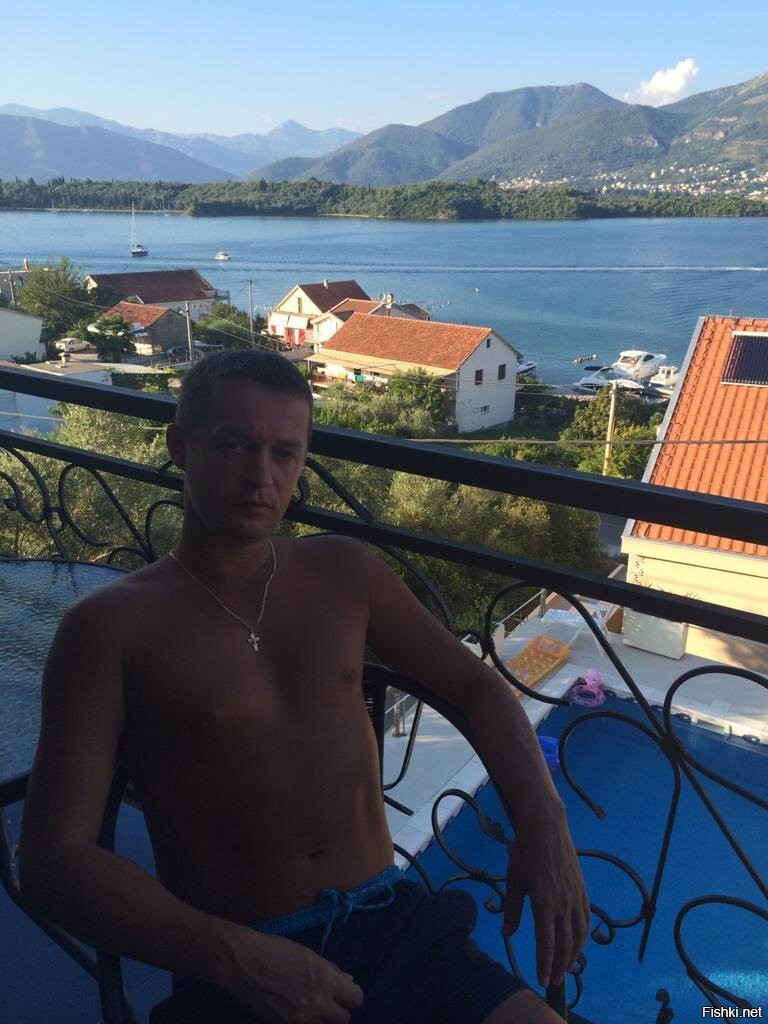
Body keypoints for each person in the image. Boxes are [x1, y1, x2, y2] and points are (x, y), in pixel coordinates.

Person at [20, 350, 589, 1023]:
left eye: (284, 453)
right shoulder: (108, 629)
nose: (261, 476)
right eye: (233, 444)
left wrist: (544, 821)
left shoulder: (343, 573)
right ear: (180, 447)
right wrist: (231, 957)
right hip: (242, 962)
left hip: (394, 925)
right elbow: (54, 861)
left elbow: (475, 686)